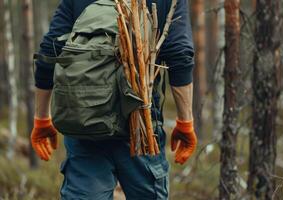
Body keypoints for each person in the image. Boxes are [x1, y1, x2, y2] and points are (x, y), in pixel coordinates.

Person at [30, 0, 197, 199]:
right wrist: (185, 122)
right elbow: (180, 55)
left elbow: (51, 49)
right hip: (141, 124)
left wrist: (41, 119)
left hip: (86, 119)